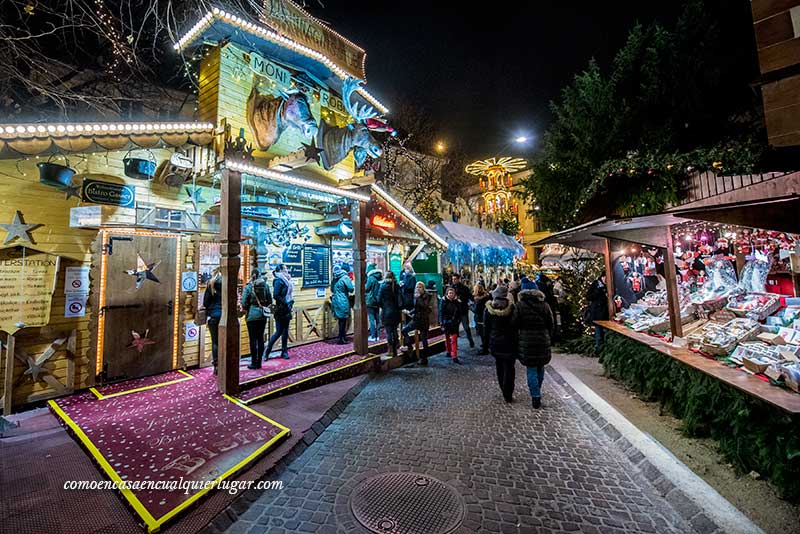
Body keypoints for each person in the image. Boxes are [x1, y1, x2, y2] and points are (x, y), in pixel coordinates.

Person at [514, 278, 554, 409]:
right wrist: (548, 336)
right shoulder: (545, 305)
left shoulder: (519, 306)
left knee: (531, 368)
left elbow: (514, 324)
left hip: (527, 341)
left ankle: (535, 395)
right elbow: (551, 324)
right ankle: (538, 389)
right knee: (540, 366)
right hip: (542, 340)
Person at [483, 285, 517, 402]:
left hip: (495, 342)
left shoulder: (489, 310)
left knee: (499, 366)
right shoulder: (512, 308)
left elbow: (486, 329)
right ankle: (508, 393)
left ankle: (503, 389)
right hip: (510, 342)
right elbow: (516, 326)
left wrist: (486, 344)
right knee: (510, 368)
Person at [241, 269, 272, 369]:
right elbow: (270, 300)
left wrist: (246, 308)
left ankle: (254, 362)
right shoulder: (265, 285)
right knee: (260, 338)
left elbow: (244, 302)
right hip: (262, 315)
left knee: (253, 340)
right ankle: (259, 362)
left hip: (251, 315)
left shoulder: (249, 286)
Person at [265, 264, 294, 359]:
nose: (287, 270)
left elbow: (289, 294)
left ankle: (284, 351)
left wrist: (290, 302)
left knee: (285, 331)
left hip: (287, 308)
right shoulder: (278, 280)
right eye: (285, 268)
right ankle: (267, 350)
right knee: (279, 331)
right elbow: (276, 295)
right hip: (280, 309)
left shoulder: (287, 280)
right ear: (280, 270)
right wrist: (285, 302)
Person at [401, 281, 433, 365]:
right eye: (417, 287)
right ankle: (409, 345)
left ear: (423, 288)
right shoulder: (417, 296)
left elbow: (424, 306)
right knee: (404, 330)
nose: (418, 289)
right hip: (416, 319)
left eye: (420, 287)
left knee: (424, 339)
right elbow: (416, 308)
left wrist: (418, 298)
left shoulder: (426, 296)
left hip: (423, 320)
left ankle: (424, 358)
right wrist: (409, 312)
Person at [202, 271, 222, 374]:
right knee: (225, 341)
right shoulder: (227, 284)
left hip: (213, 316)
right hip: (225, 316)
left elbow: (205, 302)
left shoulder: (211, 285)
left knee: (215, 342)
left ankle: (216, 366)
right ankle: (226, 364)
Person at [379, 271, 402, 357]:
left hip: (386, 312)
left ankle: (390, 350)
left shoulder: (383, 286)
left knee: (388, 332)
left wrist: (383, 306)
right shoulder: (396, 286)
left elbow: (379, 299)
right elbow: (400, 298)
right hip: (396, 311)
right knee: (394, 330)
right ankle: (396, 347)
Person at [587, 274, 610, 356]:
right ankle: (599, 350)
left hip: (606, 313)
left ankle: (604, 350)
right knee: (599, 333)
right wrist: (599, 290)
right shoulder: (596, 284)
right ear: (602, 277)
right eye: (605, 278)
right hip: (598, 313)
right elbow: (589, 296)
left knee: (605, 332)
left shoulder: (609, 285)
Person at [331, 264, 354, 344]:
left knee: (340, 320)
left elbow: (331, 289)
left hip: (335, 300)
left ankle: (341, 337)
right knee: (343, 320)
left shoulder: (335, 277)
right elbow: (351, 289)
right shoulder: (345, 277)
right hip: (343, 299)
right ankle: (342, 338)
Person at [450, 273, 475, 348]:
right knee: (455, 329)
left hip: (463, 310)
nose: (453, 280)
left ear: (458, 279)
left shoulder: (464, 288)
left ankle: (470, 340)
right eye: (453, 279)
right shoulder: (451, 288)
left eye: (455, 279)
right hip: (454, 311)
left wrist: (462, 299)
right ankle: (455, 344)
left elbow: (469, 297)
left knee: (466, 327)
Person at [439, 286, 462, 364]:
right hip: (446, 322)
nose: (451, 294)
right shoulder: (443, 301)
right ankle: (448, 351)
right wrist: (441, 322)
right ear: (447, 293)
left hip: (454, 323)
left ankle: (454, 356)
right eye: (450, 293)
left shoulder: (457, 302)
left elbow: (459, 312)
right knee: (447, 338)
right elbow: (441, 312)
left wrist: (458, 321)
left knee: (454, 339)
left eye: (452, 293)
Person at [365, 262, 383, 342]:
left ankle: (372, 335)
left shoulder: (370, 278)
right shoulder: (379, 278)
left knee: (371, 319)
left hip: (370, 300)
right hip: (377, 300)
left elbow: (367, 288)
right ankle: (378, 336)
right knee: (378, 318)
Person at [472, 284, 491, 355]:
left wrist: (470, 306)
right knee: (486, 332)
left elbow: (476, 310)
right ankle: (486, 345)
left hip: (480, 318)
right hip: (486, 317)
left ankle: (485, 349)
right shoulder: (487, 296)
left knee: (482, 333)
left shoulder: (478, 300)